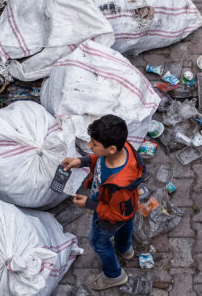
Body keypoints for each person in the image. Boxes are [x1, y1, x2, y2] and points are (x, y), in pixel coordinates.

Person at [62, 115, 145, 290]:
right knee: (126, 224)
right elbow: (99, 160)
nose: (90, 146)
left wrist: (90, 204)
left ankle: (114, 275)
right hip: (124, 210)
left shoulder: (120, 186)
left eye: (94, 144)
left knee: (98, 241)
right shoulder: (124, 148)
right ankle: (125, 249)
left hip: (111, 213)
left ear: (112, 149)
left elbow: (115, 214)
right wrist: (82, 161)